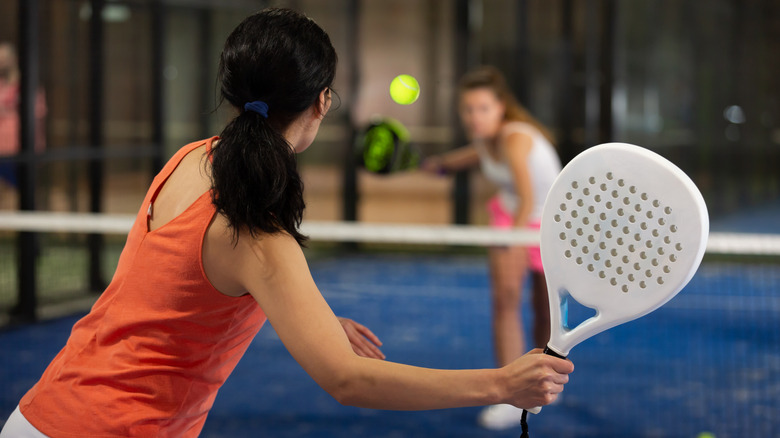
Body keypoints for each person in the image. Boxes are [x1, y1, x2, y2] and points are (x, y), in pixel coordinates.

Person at [0, 10, 572, 437]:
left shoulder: (189, 158)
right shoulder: (258, 229)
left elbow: (189, 288)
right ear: (322, 102)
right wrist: (500, 383)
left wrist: (312, 314)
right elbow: (348, 381)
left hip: (38, 414)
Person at [422, 66, 563, 430]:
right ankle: (511, 394)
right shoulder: (484, 140)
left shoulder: (515, 138)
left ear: (501, 107)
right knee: (505, 300)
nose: (475, 116)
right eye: (468, 109)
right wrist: (436, 166)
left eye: (483, 108)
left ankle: (543, 382)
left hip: (548, 225)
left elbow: (529, 195)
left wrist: (514, 240)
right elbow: (461, 160)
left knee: (545, 314)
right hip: (510, 215)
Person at [0, 42, 46, 193]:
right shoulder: (2, 85)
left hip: (19, 148)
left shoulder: (27, 85)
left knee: (21, 192)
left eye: (4, 58)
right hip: (2, 148)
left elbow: (38, 112)